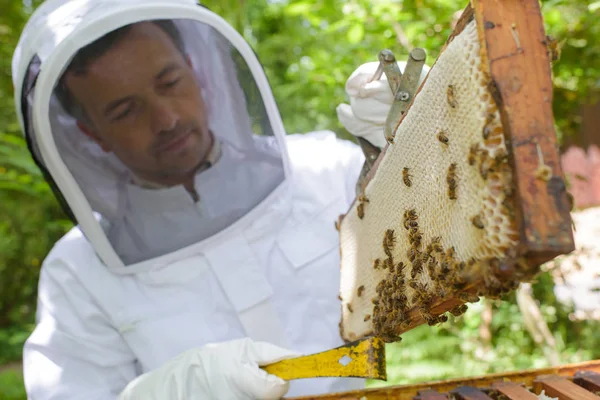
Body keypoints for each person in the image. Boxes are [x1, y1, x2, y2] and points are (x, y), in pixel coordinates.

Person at [12, 0, 427, 398]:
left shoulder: (324, 171)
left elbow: (443, 228)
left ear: (197, 70)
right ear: (90, 134)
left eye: (170, 83)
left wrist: (418, 144)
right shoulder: (77, 275)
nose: (167, 119)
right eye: (125, 111)